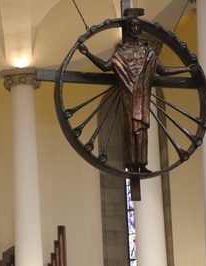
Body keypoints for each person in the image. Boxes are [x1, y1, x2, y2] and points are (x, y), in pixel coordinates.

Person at [79, 9, 198, 173]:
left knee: (141, 131)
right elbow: (106, 66)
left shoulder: (148, 52)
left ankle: (142, 163)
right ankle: (131, 164)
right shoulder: (120, 52)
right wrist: (88, 54)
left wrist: (185, 68)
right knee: (130, 131)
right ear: (128, 30)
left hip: (142, 99)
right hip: (129, 97)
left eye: (137, 26)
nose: (136, 29)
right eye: (133, 26)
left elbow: (162, 70)